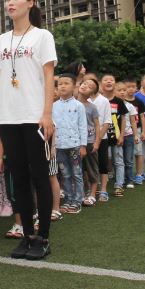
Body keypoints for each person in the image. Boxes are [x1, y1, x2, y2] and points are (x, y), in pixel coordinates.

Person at [0, 0, 57, 261]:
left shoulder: (42, 36)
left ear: (30, 3)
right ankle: (27, 235)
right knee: (18, 178)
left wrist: (47, 113)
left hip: (35, 117)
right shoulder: (1, 41)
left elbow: (49, 77)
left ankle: (44, 237)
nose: (10, 2)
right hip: (9, 118)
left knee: (40, 176)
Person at [53, 73, 87, 213]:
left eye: (66, 84)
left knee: (77, 173)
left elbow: (83, 126)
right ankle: (68, 199)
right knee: (64, 174)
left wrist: (83, 145)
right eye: (60, 84)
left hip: (74, 145)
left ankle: (78, 200)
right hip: (59, 146)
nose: (63, 86)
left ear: (74, 87)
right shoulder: (54, 106)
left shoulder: (78, 106)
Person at [77, 79, 101, 205]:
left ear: (92, 94)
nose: (85, 86)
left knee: (92, 168)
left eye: (90, 87)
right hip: (75, 142)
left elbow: (97, 125)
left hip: (90, 141)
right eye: (85, 83)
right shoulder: (72, 104)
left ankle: (92, 194)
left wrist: (97, 142)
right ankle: (80, 194)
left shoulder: (92, 107)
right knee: (77, 169)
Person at [122, 77, 145, 187]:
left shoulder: (137, 102)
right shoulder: (119, 102)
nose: (130, 89)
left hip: (135, 130)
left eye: (132, 87)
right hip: (122, 131)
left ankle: (138, 175)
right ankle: (122, 177)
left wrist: (141, 132)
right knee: (122, 156)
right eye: (128, 87)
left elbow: (141, 117)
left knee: (137, 152)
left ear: (136, 88)